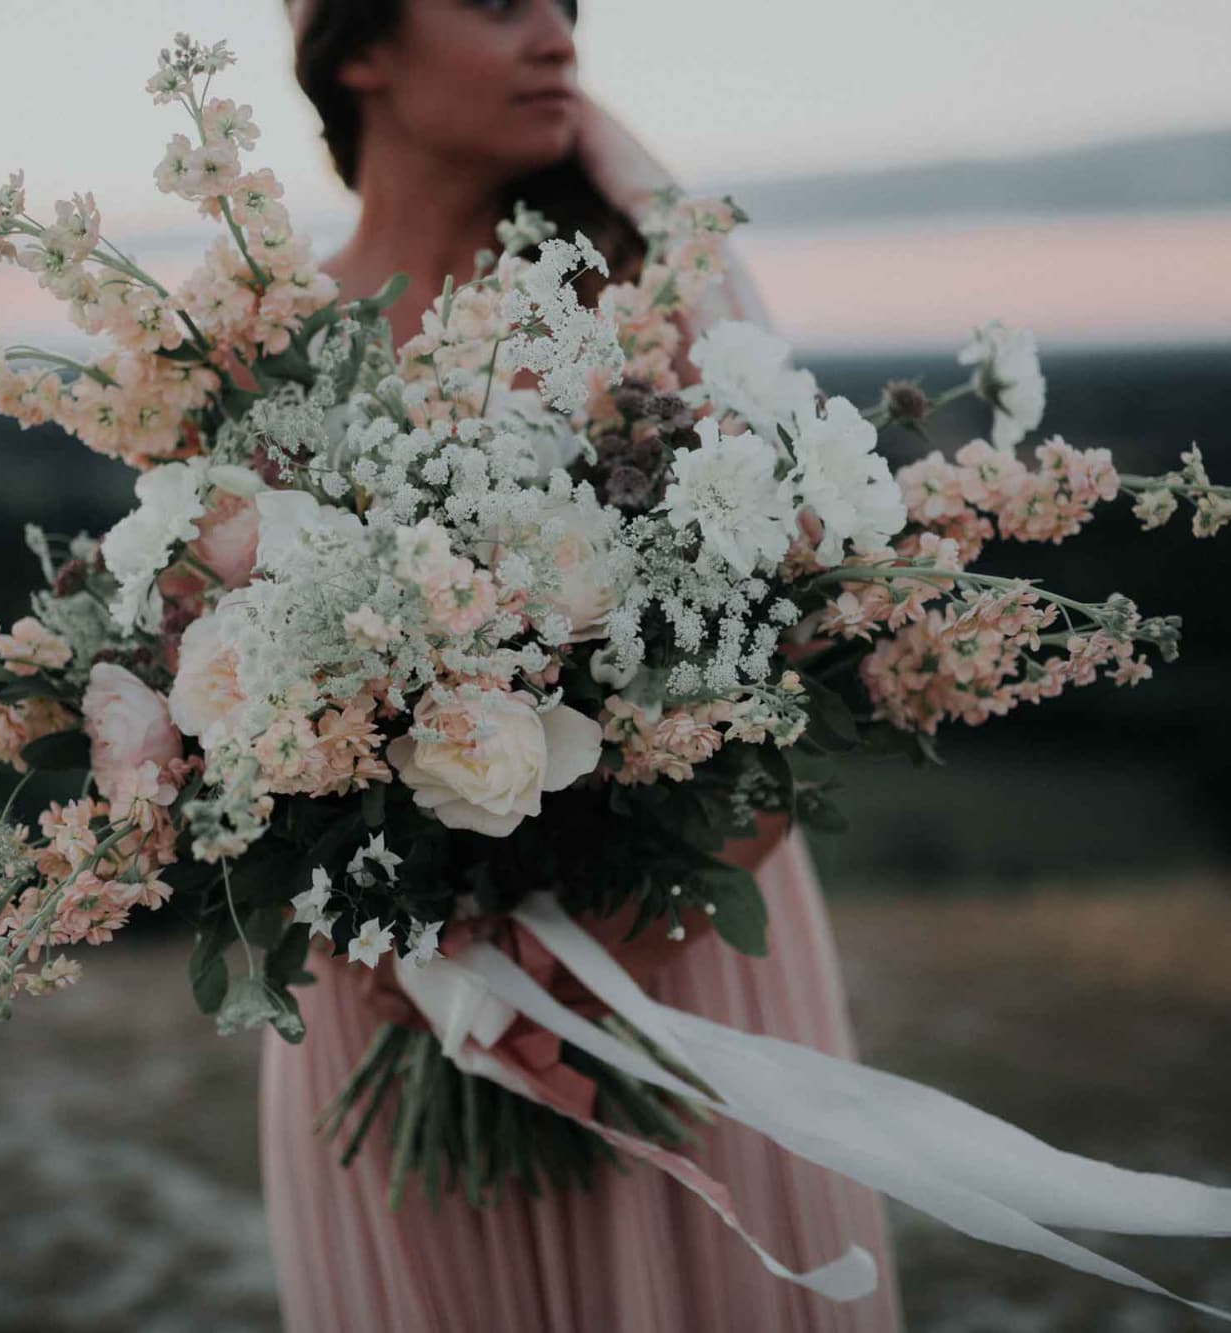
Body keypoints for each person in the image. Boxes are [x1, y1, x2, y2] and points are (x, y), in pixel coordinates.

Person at [260, 2, 905, 1329]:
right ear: (358, 48)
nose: (556, 34)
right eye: (502, 2)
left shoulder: (639, 312)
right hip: (387, 1003)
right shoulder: (262, 352)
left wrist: (615, 936)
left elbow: (811, 652)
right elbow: (217, 711)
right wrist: (381, 929)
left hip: (672, 974)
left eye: (567, 5)